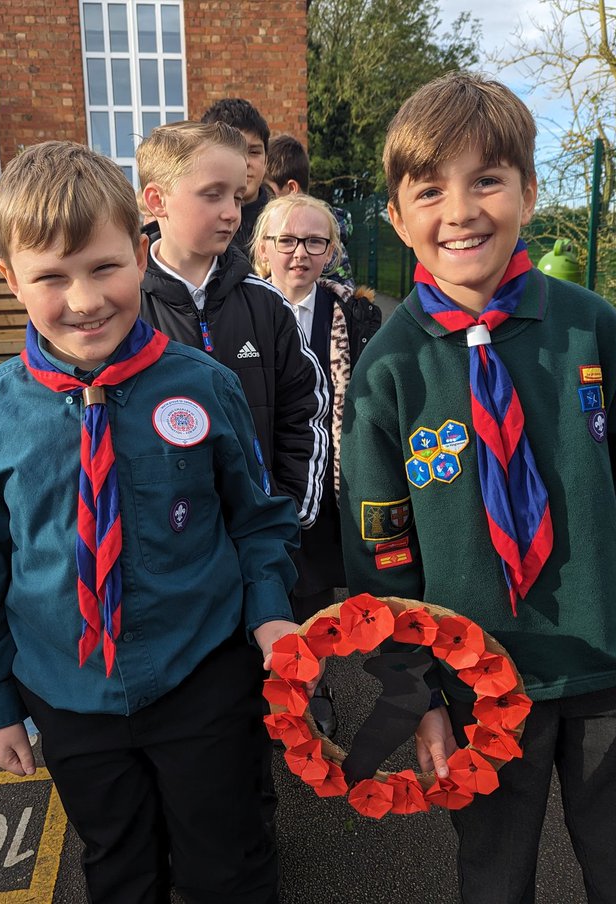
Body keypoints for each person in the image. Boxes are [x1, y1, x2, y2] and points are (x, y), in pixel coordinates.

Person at [338, 72, 616, 904]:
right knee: (493, 879)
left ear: (529, 194)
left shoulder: (592, 327)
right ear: (397, 216)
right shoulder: (386, 370)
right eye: (430, 190)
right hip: (479, 685)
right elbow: (379, 551)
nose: (459, 211)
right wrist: (415, 688)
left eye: (487, 180)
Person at [0, 140, 305, 904]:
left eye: (104, 268)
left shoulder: (204, 386)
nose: (84, 300)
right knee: (117, 866)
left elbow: (258, 518)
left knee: (228, 862)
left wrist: (270, 613)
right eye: (50, 277)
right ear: (11, 281)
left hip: (201, 672)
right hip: (68, 692)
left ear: (141, 256)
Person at [136, 120, 330, 533]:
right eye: (213, 195)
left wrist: (286, 516)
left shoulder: (266, 305)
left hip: (257, 546)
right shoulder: (125, 310)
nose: (231, 212)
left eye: (238, 197)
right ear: (157, 200)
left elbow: (306, 410)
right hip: (163, 555)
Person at [249, 193, 381, 735]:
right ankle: (262, 687)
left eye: (314, 241)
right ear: (264, 249)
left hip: (326, 482)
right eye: (287, 241)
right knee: (259, 587)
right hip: (261, 479)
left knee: (312, 596)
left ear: (331, 251)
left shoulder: (354, 313)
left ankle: (309, 686)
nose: (299, 253)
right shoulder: (241, 312)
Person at [265, 133, 354, 289]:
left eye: (267, 192)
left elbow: (344, 297)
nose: (263, 200)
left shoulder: (322, 238)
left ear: (292, 189)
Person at [201, 97, 271, 251]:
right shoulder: (192, 225)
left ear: (266, 160)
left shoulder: (286, 226)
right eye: (234, 151)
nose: (244, 162)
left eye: (254, 152)